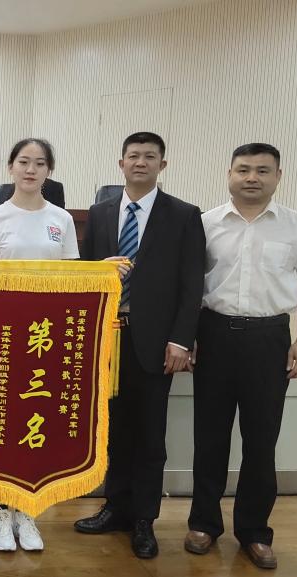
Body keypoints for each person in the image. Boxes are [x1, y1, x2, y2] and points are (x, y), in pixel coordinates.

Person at [185, 143, 297, 570]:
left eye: (263, 170)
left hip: (269, 339)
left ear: (278, 176)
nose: (252, 177)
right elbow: (190, 284)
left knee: (261, 441)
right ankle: (203, 524)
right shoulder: (205, 223)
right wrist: (188, 336)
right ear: (229, 173)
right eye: (243, 169)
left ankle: (254, 531)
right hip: (213, 335)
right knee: (209, 437)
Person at [73, 132, 205, 559]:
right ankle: (115, 507)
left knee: (149, 434)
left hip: (156, 342)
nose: (141, 162)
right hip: (108, 339)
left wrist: (181, 340)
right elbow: (87, 273)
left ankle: (145, 518)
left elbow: (192, 283)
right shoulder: (100, 213)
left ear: (162, 165)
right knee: (114, 430)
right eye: (134, 156)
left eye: (150, 157)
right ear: (121, 163)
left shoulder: (183, 215)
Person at [0, 138, 78, 553]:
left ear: (49, 171)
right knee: (3, 421)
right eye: (24, 162)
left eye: (40, 163)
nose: (31, 169)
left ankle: (29, 511)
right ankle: (1, 510)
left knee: (38, 418)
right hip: (5, 337)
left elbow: (73, 278)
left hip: (47, 338)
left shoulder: (61, 219)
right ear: (10, 167)